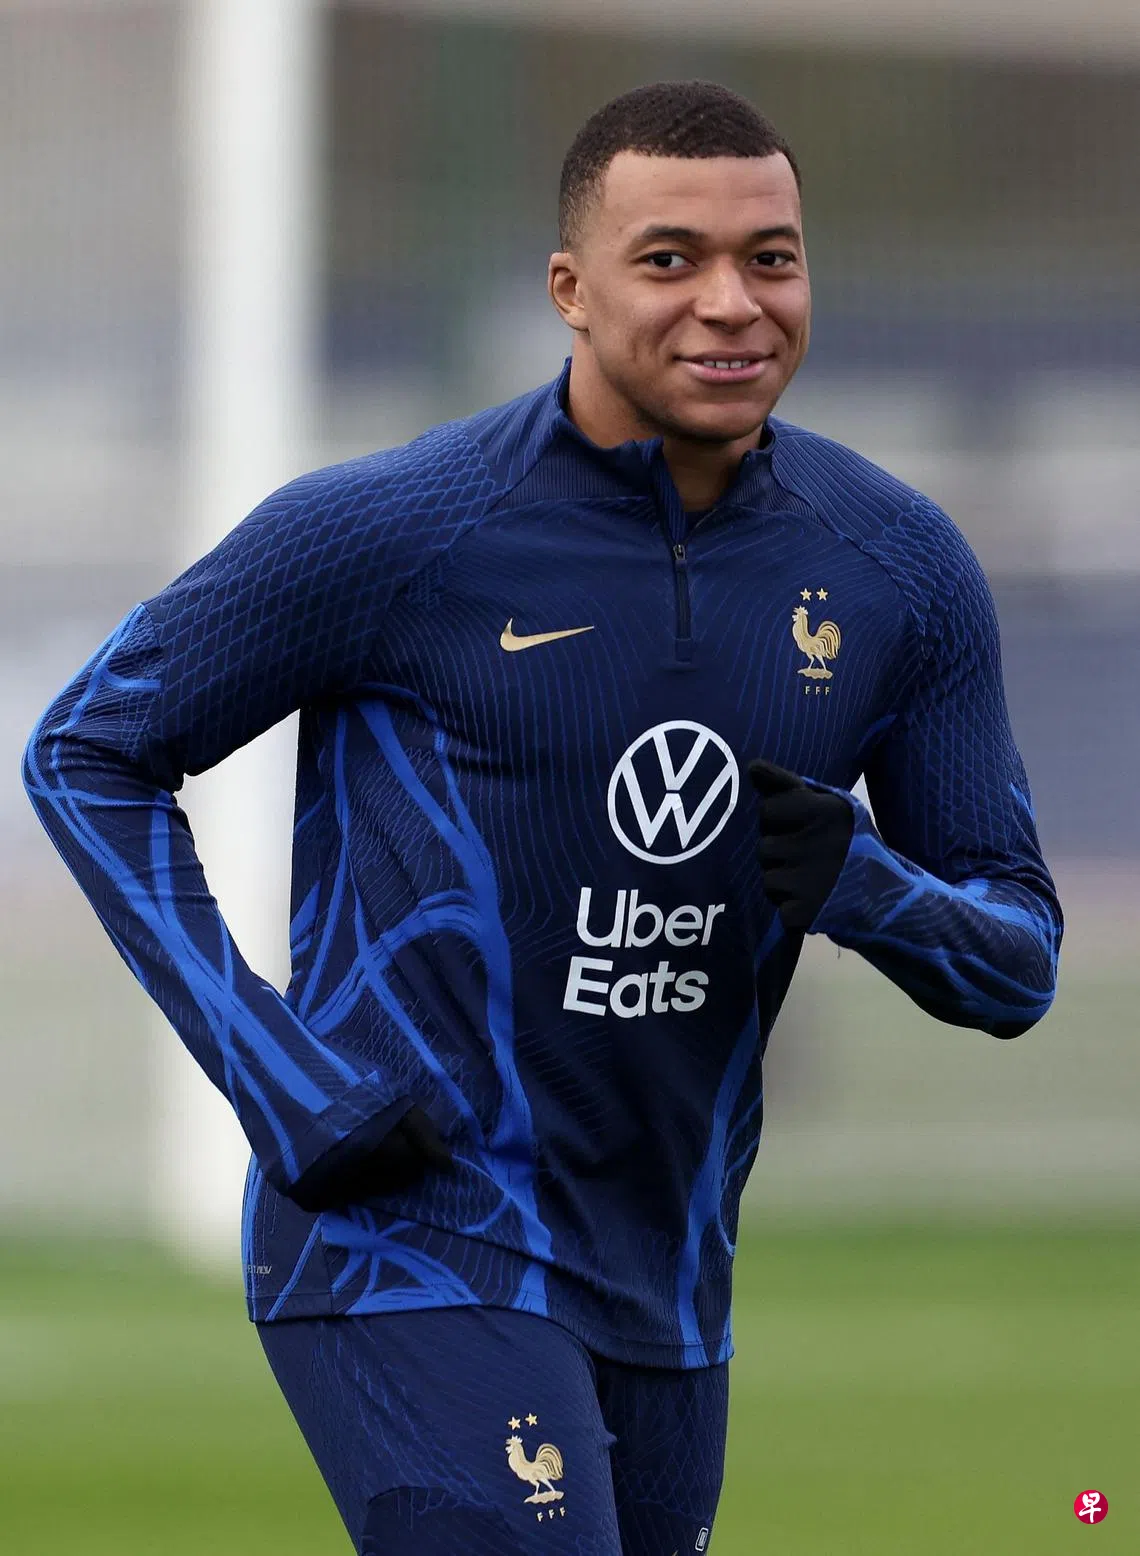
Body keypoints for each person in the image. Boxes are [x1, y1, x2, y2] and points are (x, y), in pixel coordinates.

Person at [23, 80, 1061, 1555]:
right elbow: (86, 750)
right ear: (570, 289)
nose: (731, 303)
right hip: (405, 1241)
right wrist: (281, 1076)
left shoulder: (899, 569)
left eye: (770, 258)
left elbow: (1018, 965)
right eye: (670, 259)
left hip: (668, 1277)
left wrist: (870, 889)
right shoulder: (393, 529)